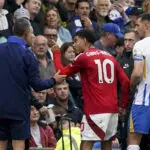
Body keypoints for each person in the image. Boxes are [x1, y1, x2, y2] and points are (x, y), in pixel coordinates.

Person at [52, 29, 130, 150]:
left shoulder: (83, 57)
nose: (74, 44)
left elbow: (60, 73)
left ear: (85, 40)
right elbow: (125, 82)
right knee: (107, 142)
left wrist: (56, 53)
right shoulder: (110, 57)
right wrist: (123, 105)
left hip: (95, 109)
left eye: (76, 41)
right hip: (112, 109)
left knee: (86, 143)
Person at [0, 18, 66, 150]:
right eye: (32, 34)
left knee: (1, 142)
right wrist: (54, 80)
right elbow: (37, 85)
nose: (33, 36)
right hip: (18, 109)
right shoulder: (28, 55)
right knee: (18, 143)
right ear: (27, 32)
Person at [127, 13, 150, 150]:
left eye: (137, 25)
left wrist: (131, 85)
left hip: (144, 98)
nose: (136, 29)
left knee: (133, 139)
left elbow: (137, 73)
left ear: (147, 26)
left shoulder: (140, 45)